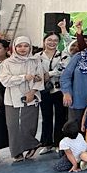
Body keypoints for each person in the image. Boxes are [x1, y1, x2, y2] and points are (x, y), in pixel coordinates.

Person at [0, 36, 46, 163]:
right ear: (14, 47)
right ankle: (16, 151)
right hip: (12, 98)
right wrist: (24, 77)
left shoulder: (35, 61)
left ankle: (32, 145)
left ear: (30, 47)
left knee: (29, 124)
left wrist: (32, 92)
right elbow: (5, 80)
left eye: (26, 46)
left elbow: (40, 79)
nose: (22, 49)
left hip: (31, 97)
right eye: (19, 46)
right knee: (13, 125)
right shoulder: (7, 63)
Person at [36, 27, 73, 155]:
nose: (52, 42)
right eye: (49, 40)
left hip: (59, 90)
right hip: (43, 90)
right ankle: (46, 143)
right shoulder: (37, 56)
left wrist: (49, 73)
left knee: (60, 117)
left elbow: (64, 70)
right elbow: (34, 71)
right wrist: (42, 75)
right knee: (46, 117)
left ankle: (59, 142)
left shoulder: (63, 55)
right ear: (44, 41)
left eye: (55, 40)